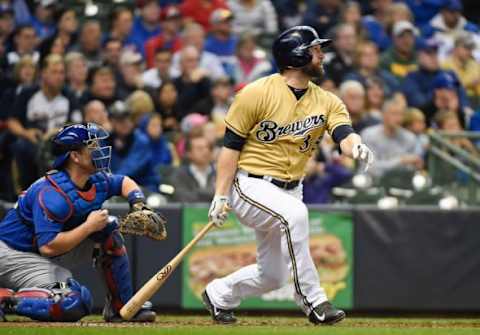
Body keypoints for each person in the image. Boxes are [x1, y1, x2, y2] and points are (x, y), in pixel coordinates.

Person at [203, 26, 374, 325]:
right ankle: (314, 300)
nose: (321, 54)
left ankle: (219, 294)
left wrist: (356, 145)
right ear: (297, 56)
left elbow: (343, 135)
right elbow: (230, 148)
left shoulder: (327, 101)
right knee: (295, 215)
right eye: (315, 49)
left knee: (273, 275)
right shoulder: (256, 93)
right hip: (251, 185)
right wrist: (220, 194)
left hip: (292, 188)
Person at [0, 123, 157, 322]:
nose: (100, 150)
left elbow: (124, 182)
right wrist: (88, 227)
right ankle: (6, 299)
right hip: (14, 255)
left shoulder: (96, 180)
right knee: (71, 299)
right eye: (92, 147)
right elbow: (48, 246)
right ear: (75, 156)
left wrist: (138, 204)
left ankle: (122, 307)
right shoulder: (51, 193)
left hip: (42, 251)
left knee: (109, 232)